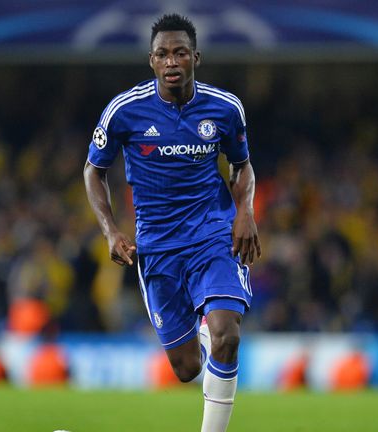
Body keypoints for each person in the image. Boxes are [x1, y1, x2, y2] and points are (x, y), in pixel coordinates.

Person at [83, 13, 260, 432]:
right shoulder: (125, 111)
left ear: (195, 56)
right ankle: (205, 328)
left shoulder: (224, 108)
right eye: (162, 54)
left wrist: (246, 212)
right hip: (158, 248)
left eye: (180, 52)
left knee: (227, 335)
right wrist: (110, 230)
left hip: (212, 235)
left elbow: (242, 166)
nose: (171, 61)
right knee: (186, 369)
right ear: (151, 61)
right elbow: (93, 170)